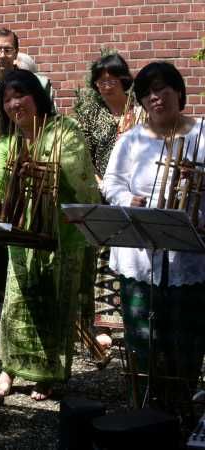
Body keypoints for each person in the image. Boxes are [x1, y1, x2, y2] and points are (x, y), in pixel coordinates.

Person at [0, 70, 99, 401]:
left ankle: (47, 375)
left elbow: (82, 181)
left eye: (20, 95)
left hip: (62, 234)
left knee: (53, 305)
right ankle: (10, 369)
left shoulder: (65, 131)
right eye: (6, 100)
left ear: (37, 96)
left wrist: (51, 173)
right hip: (22, 236)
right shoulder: (8, 142)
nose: (14, 104)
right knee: (17, 306)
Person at [102, 61, 205, 411]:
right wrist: (125, 199)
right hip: (139, 255)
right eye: (147, 93)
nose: (155, 97)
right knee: (141, 337)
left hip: (189, 257)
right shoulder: (131, 140)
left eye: (162, 88)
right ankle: (144, 408)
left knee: (185, 338)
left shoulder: (202, 135)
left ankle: (182, 407)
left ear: (179, 91)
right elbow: (112, 184)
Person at [0, 29, 56, 317]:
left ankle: (38, 305)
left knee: (34, 239)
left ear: (16, 53)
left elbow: (51, 127)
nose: (2, 55)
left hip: (34, 175)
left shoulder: (41, 84)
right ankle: (6, 306)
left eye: (8, 49)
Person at [74, 53, 143, 349]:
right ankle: (103, 325)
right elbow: (81, 153)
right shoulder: (89, 112)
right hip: (99, 193)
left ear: (124, 78)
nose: (105, 83)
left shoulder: (139, 111)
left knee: (129, 258)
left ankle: (131, 321)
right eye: (100, 79)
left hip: (133, 196)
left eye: (111, 77)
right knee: (100, 259)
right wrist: (100, 184)